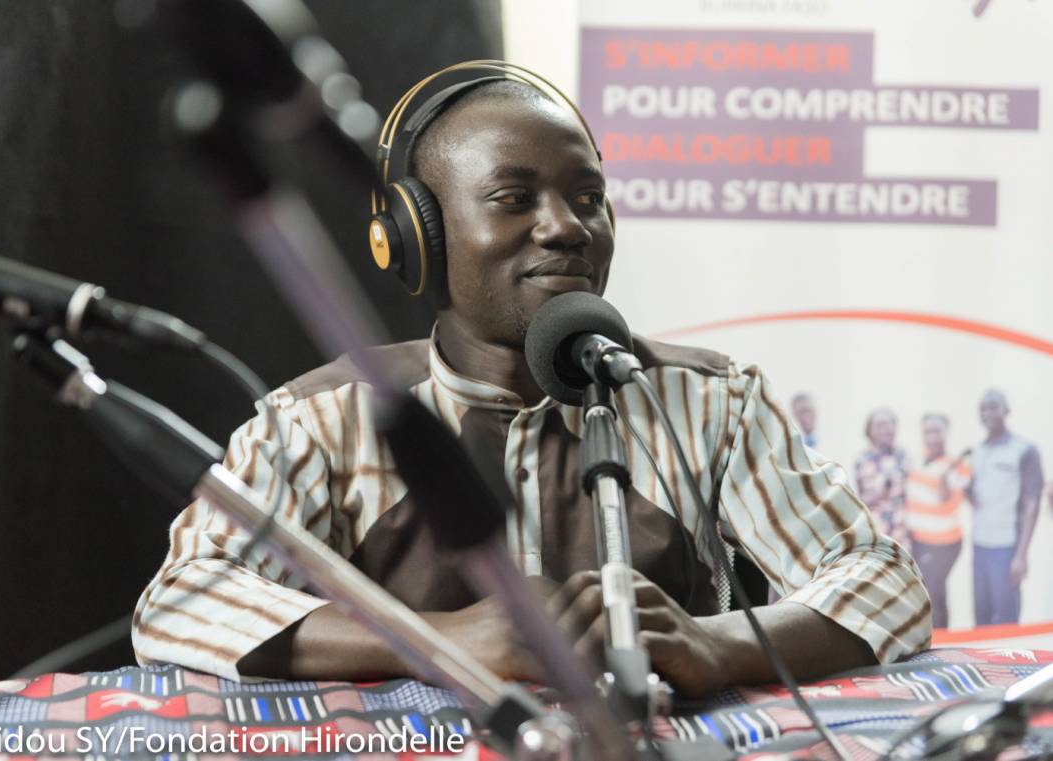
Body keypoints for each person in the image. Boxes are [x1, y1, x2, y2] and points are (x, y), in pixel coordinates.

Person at [131, 69, 930, 697]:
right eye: (514, 199)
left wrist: (715, 644)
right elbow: (182, 601)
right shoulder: (324, 418)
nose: (565, 225)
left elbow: (883, 580)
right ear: (417, 237)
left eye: (588, 198)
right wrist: (433, 637)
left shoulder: (712, 399)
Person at [969, 389, 1044, 626]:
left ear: (1006, 410)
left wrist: (1021, 555)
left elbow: (1032, 502)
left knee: (1006, 619)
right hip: (980, 545)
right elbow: (976, 497)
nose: (987, 413)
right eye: (983, 408)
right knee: (981, 618)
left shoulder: (1024, 449)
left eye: (993, 406)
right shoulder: (977, 451)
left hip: (1006, 548)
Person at [905, 414, 970, 629]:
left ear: (946, 433)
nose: (932, 437)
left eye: (937, 431)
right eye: (928, 432)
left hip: (944, 543)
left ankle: (940, 638)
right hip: (919, 539)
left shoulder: (957, 466)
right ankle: (935, 637)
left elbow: (944, 497)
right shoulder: (917, 459)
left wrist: (945, 472)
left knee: (933, 590)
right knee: (929, 590)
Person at [855, 407, 911, 548]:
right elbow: (858, 499)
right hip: (875, 533)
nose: (885, 430)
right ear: (869, 431)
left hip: (902, 532)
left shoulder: (903, 456)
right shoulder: (862, 459)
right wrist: (879, 493)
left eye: (889, 425)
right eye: (879, 426)